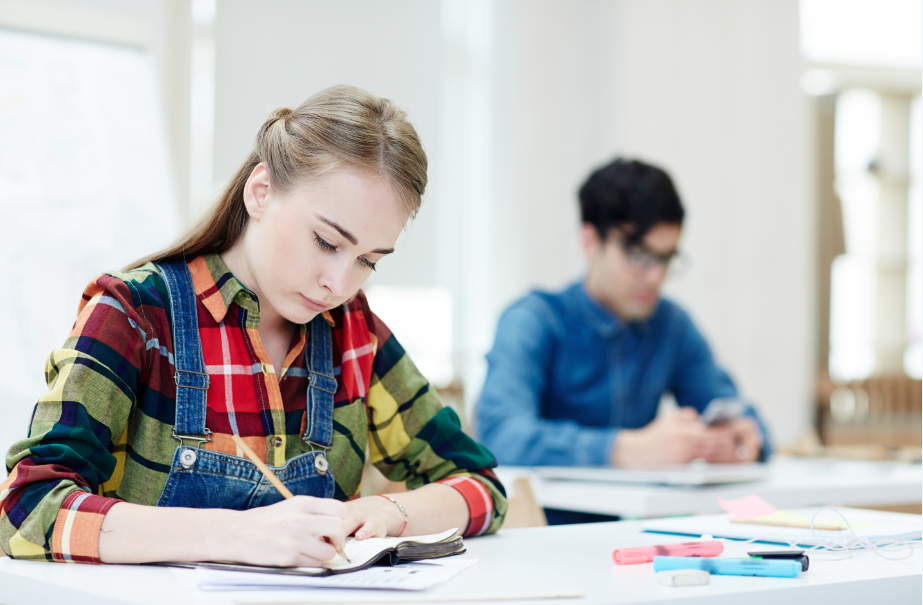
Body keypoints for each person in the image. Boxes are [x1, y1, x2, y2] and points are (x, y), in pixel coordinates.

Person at [0, 85, 506, 566]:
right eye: (327, 242)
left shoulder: (355, 332)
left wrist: (384, 513)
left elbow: (481, 486)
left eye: (368, 260)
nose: (338, 282)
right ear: (261, 191)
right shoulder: (133, 312)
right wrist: (239, 535)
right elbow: (24, 510)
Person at [477, 158, 770, 523]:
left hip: (642, 540)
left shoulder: (672, 325)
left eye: (666, 258)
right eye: (639, 255)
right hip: (541, 540)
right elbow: (499, 436)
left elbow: (739, 414)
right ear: (590, 240)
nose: (655, 276)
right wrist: (626, 449)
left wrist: (743, 440)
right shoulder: (533, 320)